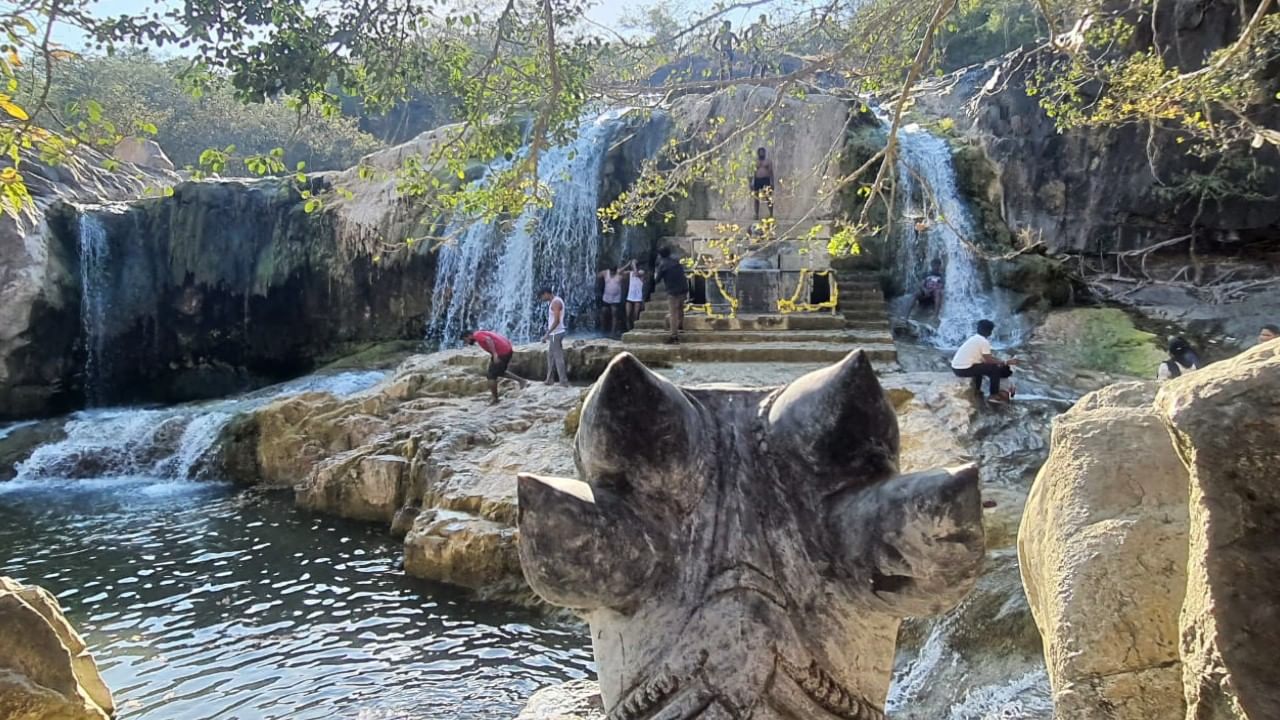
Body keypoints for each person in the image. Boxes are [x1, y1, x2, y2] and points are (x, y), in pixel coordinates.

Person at [951, 319, 1020, 404]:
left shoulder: (974, 339)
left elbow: (985, 359)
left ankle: (977, 390)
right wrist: (1005, 362)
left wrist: (1001, 362)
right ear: (990, 332)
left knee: (981, 368)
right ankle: (993, 395)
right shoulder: (983, 342)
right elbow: (989, 360)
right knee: (994, 369)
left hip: (957, 368)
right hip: (963, 369)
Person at [463, 329, 528, 404]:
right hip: (507, 350)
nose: (467, 342)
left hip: (501, 353)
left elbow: (488, 340)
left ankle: (495, 399)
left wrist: (494, 354)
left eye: (466, 340)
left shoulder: (477, 335)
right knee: (499, 372)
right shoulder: (482, 332)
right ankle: (522, 381)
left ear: (469, 336)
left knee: (491, 375)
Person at [655, 247, 689, 344]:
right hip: (683, 289)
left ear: (660, 255)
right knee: (680, 308)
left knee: (673, 313)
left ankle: (674, 336)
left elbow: (657, 280)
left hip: (673, 292)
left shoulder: (662, 265)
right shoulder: (677, 262)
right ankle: (680, 326)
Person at [539, 288, 569, 386]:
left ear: (547, 293)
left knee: (558, 357)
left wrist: (547, 334)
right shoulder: (554, 301)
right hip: (554, 334)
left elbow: (556, 320)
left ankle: (563, 381)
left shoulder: (555, 303)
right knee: (551, 356)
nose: (542, 299)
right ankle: (549, 379)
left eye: (542, 296)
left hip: (556, 334)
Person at [599, 265, 624, 337]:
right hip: (606, 298)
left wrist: (626, 265)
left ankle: (613, 332)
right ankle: (602, 329)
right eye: (611, 272)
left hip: (615, 298)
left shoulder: (620, 275)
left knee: (614, 313)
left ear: (616, 271)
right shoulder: (605, 273)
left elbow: (627, 273)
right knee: (603, 312)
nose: (612, 273)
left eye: (613, 272)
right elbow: (598, 275)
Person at [752, 147, 775, 220]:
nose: (762, 154)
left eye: (763, 152)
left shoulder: (768, 161)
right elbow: (752, 172)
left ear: (765, 153)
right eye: (760, 152)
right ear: (758, 153)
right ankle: (756, 214)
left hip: (766, 180)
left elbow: (771, 172)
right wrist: (751, 182)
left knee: (768, 197)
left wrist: (772, 182)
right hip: (757, 180)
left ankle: (771, 214)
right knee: (756, 198)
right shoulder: (755, 162)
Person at [746, 14, 771, 78]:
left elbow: (770, 32)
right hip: (755, 46)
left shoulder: (765, 27)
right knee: (756, 62)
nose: (763, 21)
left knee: (763, 63)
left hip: (761, 46)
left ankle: (760, 77)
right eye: (762, 19)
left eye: (764, 19)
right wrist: (748, 41)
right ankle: (752, 77)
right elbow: (746, 32)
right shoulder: (754, 25)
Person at [624, 259, 646, 330]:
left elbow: (636, 274)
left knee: (635, 316)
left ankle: (634, 329)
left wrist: (633, 264)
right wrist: (627, 264)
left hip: (638, 298)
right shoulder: (630, 272)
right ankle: (628, 330)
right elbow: (619, 272)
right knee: (627, 316)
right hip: (629, 297)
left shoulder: (641, 272)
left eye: (633, 264)